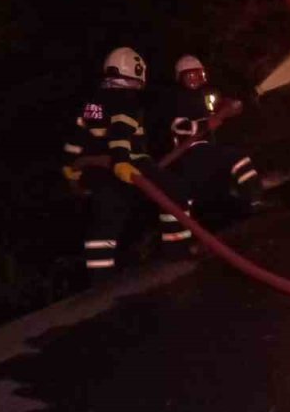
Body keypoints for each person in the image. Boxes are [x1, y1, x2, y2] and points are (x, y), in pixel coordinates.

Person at [61, 47, 194, 282]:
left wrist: (71, 168)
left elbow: (76, 139)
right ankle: (178, 251)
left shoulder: (92, 104)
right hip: (129, 164)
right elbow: (120, 133)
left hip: (95, 171)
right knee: (176, 191)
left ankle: (100, 279)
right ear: (137, 72)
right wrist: (122, 162)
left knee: (107, 218)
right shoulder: (127, 100)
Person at [166, 54, 263, 208]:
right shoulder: (179, 98)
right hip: (191, 153)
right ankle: (254, 200)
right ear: (181, 78)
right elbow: (179, 126)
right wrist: (207, 123)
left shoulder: (197, 98)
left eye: (200, 74)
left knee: (189, 195)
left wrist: (228, 110)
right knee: (237, 159)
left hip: (202, 151)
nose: (196, 79)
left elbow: (213, 117)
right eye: (191, 75)